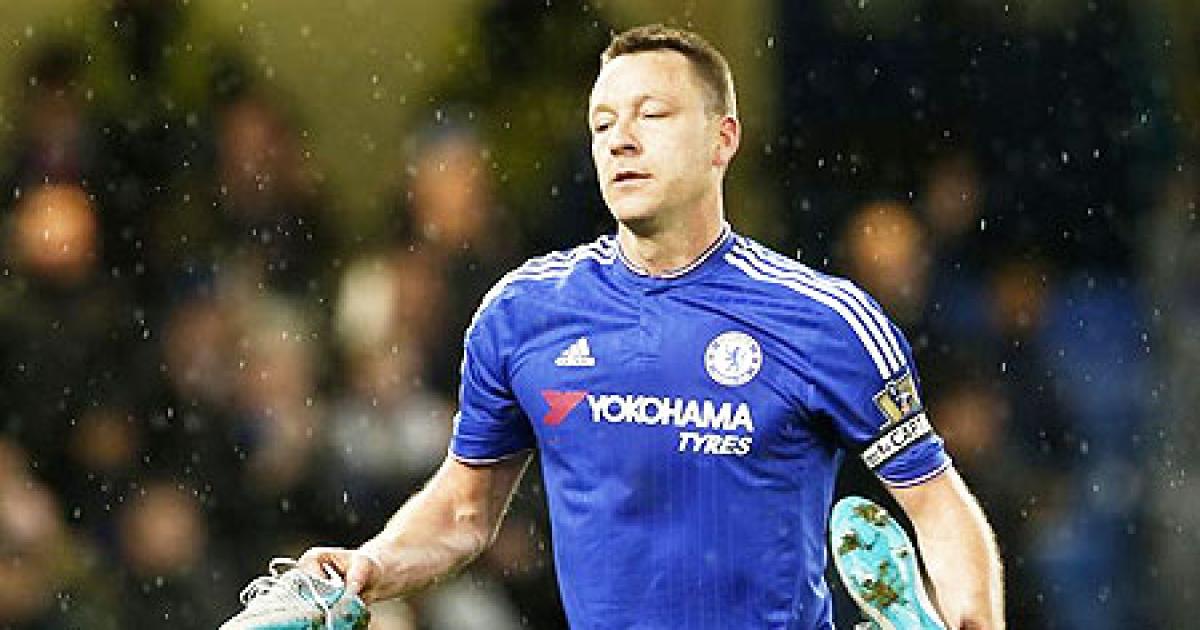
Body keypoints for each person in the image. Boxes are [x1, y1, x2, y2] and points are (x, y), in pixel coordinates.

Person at [296, 24, 1004, 629]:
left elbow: (936, 505)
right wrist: (371, 565)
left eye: (652, 115)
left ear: (723, 139)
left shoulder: (824, 321)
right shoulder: (521, 314)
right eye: (602, 124)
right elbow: (462, 511)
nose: (621, 141)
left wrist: (974, 619)